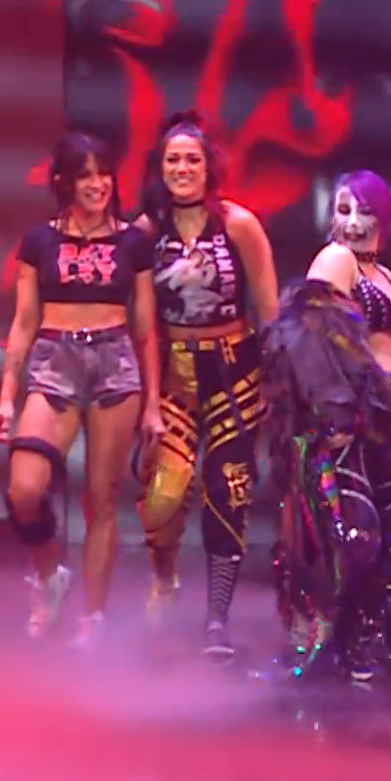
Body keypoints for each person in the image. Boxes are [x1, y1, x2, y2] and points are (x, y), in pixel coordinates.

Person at [263, 170, 391, 683]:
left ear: (384, 218)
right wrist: (336, 412)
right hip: (353, 418)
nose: (353, 222)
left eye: (364, 211)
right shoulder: (335, 260)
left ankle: (367, 634)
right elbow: (308, 339)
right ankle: (336, 637)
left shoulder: (382, 272)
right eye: (343, 210)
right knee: (356, 536)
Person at [0, 133, 164, 646]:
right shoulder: (38, 241)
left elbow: (146, 329)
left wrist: (153, 405)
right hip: (55, 360)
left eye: (104, 173)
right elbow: (24, 322)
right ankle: (49, 578)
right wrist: (6, 396)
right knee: (25, 489)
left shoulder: (134, 243)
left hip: (115, 363)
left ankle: (93, 619)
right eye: (86, 175)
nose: (98, 184)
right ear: (63, 181)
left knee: (101, 500)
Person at [134, 112, 280, 661]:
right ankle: (164, 576)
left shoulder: (239, 225)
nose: (182, 168)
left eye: (192, 159)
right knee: (163, 495)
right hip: (174, 374)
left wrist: (272, 382)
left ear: (208, 166)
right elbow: (144, 323)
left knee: (227, 492)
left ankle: (217, 618)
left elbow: (269, 311)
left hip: (234, 373)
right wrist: (150, 401)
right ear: (160, 166)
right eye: (173, 159)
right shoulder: (146, 232)